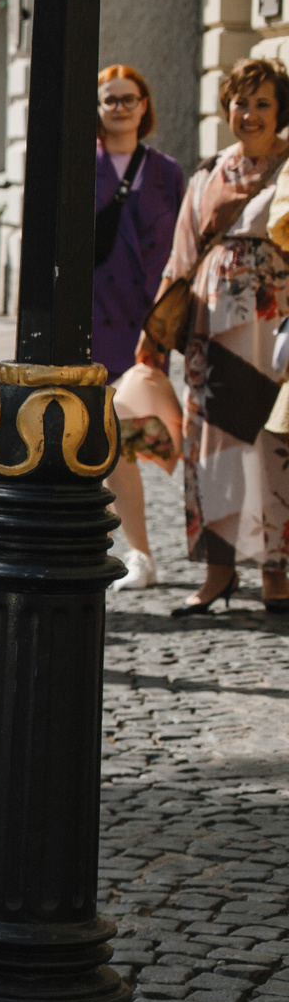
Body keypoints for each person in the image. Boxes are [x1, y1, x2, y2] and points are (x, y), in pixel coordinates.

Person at [138, 56, 289, 617]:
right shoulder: (207, 172)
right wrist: (155, 331)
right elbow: (180, 255)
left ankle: (276, 572)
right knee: (213, 448)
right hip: (211, 327)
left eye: (262, 104)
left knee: (275, 445)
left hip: (276, 326)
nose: (248, 114)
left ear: (280, 112)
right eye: (240, 102)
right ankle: (218, 571)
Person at [92, 63, 188, 590]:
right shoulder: (84, 164)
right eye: (111, 100)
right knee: (110, 438)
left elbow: (179, 249)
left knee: (140, 432)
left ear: (145, 105)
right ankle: (138, 551)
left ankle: (143, 548)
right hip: (96, 316)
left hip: (147, 321)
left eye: (130, 98)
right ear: (99, 109)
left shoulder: (167, 170)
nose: (121, 107)